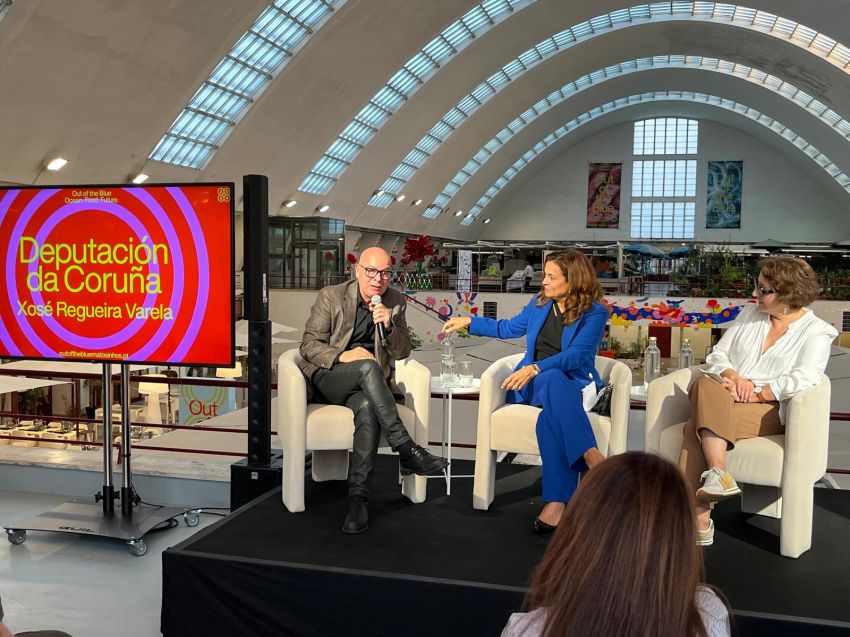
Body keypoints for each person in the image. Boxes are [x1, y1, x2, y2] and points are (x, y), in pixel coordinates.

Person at [443, 250, 608, 533]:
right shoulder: (539, 303)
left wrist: (535, 368)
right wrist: (469, 322)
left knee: (550, 418)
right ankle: (592, 456)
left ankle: (556, 504)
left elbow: (577, 356)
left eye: (551, 277)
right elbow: (508, 328)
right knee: (553, 377)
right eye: (545, 275)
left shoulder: (595, 312)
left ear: (574, 281)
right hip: (534, 387)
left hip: (570, 386)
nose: (543, 281)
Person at [678, 256, 837, 546]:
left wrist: (757, 391)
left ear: (789, 294)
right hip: (725, 396)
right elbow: (717, 356)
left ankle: (699, 518)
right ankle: (718, 475)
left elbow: (806, 377)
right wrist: (734, 376)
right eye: (757, 286)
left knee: (693, 428)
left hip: (770, 409)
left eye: (764, 290)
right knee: (703, 383)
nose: (754, 294)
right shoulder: (749, 315)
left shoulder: (817, 332)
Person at [299, 246, 448, 534]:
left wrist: (389, 324)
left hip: (367, 389)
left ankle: (358, 501)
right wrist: (343, 356)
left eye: (384, 273)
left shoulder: (394, 301)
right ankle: (407, 449)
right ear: (357, 271)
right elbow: (308, 345)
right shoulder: (332, 296)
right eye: (371, 271)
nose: (378, 279)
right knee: (368, 367)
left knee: (367, 410)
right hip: (330, 376)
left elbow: (403, 351)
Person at [501, 452, 730, 637]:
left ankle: (579, 468)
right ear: (679, 537)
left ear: (579, 530)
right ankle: (589, 455)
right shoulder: (706, 617)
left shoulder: (527, 629)